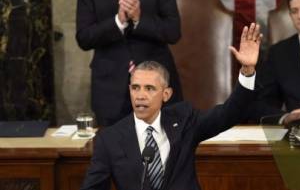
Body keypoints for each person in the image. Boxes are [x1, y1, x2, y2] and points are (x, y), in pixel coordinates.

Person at [80, 23, 262, 190]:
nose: (141, 95)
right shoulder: (110, 139)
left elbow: (228, 114)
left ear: (166, 94)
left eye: (149, 88)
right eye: (135, 88)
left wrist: (247, 71)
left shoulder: (184, 120)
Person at [75, 0, 183, 126]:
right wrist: (118, 22)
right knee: (114, 149)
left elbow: (173, 32)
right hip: (110, 89)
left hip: (155, 84)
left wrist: (139, 18)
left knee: (165, 146)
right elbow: (84, 38)